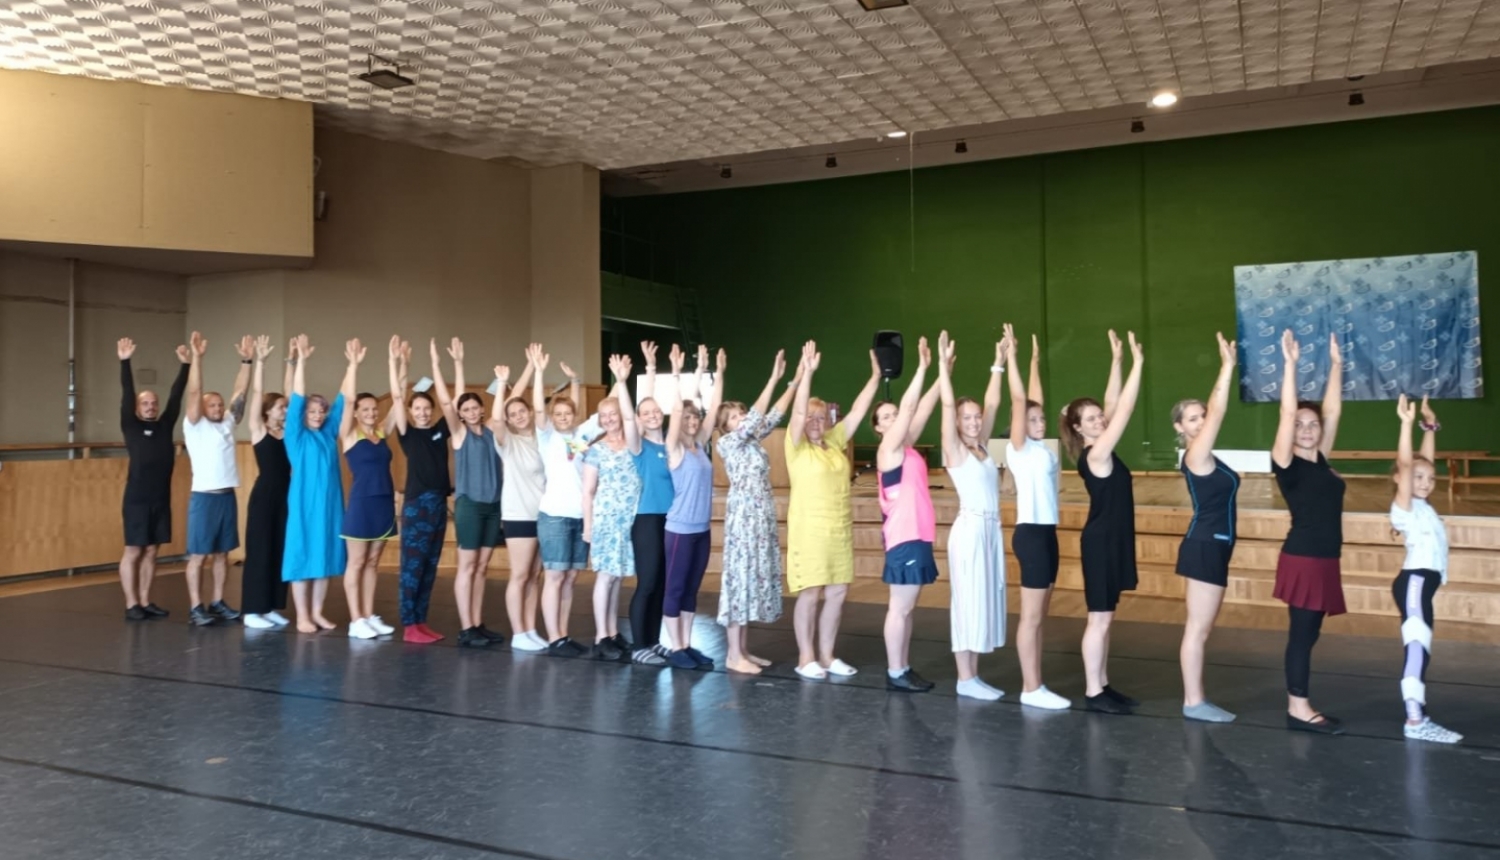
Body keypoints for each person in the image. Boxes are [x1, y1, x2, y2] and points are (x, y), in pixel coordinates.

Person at [1059, 329, 1144, 714]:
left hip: (1112, 539)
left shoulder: (1100, 447)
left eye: (1099, 416)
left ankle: (1103, 684)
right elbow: (1122, 410)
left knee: (1106, 619)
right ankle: (1094, 692)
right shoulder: (1095, 454)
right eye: (1091, 418)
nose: (1100, 419)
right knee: (1099, 620)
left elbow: (1112, 405)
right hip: (1101, 542)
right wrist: (1138, 364)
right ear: (1079, 428)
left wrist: (1117, 361)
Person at [785, 341, 881, 680]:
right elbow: (798, 413)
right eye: (811, 417)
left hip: (839, 530)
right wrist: (807, 373)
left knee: (838, 592)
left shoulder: (834, 441)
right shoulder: (796, 446)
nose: (815, 421)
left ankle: (827, 656)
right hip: (809, 531)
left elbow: (857, 411)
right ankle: (805, 657)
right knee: (811, 593)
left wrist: (875, 377)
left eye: (821, 417)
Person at [1270, 330, 1347, 734]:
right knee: (1301, 635)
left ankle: (1298, 702)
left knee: (1310, 633)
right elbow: (1287, 414)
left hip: (1324, 558)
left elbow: (1331, 410)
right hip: (1304, 558)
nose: (1306, 428)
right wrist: (1291, 366)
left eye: (1312, 424)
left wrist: (1336, 365)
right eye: (1300, 424)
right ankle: (1298, 708)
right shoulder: (1287, 463)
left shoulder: (1320, 458)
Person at [716, 348, 801, 674]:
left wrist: (794, 382)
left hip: (760, 516)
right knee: (739, 581)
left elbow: (774, 415)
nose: (742, 418)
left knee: (751, 579)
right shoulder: (728, 444)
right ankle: (732, 654)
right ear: (725, 426)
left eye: (741, 413)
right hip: (743, 519)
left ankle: (743, 650)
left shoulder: (751, 441)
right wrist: (773, 377)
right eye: (734, 416)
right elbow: (756, 417)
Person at [936, 331, 1009, 701]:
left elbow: (993, 403)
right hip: (970, 531)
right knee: (967, 602)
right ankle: (964, 679)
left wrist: (999, 362)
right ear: (956, 421)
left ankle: (973, 676)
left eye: (977, 416)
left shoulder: (981, 445)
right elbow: (947, 406)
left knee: (983, 601)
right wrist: (943, 369)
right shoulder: (955, 450)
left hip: (990, 529)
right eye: (967, 417)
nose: (975, 421)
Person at [1173, 333, 1240, 722]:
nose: (1202, 421)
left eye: (1202, 415)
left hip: (1214, 545)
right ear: (1181, 427)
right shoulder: (1195, 455)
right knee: (1197, 629)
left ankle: (1196, 699)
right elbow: (1219, 412)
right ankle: (1194, 702)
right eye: (1193, 418)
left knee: (1201, 629)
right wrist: (1227, 367)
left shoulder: (1208, 456)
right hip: (1204, 545)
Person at [1002, 328, 1070, 710]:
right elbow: (1020, 402)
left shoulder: (1041, 448)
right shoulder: (1020, 449)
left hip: (1048, 534)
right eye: (1033, 420)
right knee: (1030, 618)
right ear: (1020, 425)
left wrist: (1033, 361)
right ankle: (1030, 688)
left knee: (1041, 616)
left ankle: (1037, 683)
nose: (1041, 422)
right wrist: (1011, 357)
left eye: (1042, 418)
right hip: (1030, 535)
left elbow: (1032, 399)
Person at [1390, 394, 1462, 744]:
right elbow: (1409, 466)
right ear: (1401, 479)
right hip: (1415, 582)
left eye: (1430, 479)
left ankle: (1417, 712)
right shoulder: (1404, 507)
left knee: (1422, 650)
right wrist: (1406, 425)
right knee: (1417, 646)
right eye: (1418, 478)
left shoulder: (1422, 503)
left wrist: (1429, 425)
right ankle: (1415, 721)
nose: (1425, 482)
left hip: (1421, 585)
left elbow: (1422, 463)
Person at [873, 336, 943, 693]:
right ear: (878, 428)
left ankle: (902, 666)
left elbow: (923, 408)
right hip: (904, 537)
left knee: (908, 608)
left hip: (918, 535)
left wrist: (942, 371)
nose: (894, 418)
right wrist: (922, 367)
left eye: (894, 414)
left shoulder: (906, 447)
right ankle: (895, 671)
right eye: (886, 417)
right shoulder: (889, 449)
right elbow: (911, 404)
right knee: (899, 608)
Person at [431, 337, 506, 648]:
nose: (472, 411)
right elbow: (448, 401)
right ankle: (466, 628)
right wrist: (449, 365)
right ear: (460, 414)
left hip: (493, 506)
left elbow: (498, 410)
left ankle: (477, 623)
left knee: (482, 567)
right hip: (470, 506)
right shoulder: (460, 434)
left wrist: (501, 382)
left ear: (482, 409)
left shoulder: (492, 432)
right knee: (467, 566)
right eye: (466, 409)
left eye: (476, 407)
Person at [181, 330, 252, 627]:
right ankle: (196, 606)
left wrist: (246, 361)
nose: (219, 408)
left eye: (220, 405)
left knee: (223, 553)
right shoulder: (194, 425)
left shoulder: (227, 423)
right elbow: (195, 391)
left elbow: (240, 392)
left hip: (226, 497)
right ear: (202, 408)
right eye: (212, 405)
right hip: (204, 498)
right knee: (199, 556)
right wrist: (197, 358)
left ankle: (218, 601)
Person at [661, 346, 726, 670]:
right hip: (679, 530)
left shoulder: (700, 445)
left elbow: (713, 408)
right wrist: (677, 374)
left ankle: (686, 644)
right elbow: (676, 410)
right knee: (675, 588)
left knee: (691, 589)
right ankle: (675, 647)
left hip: (701, 529)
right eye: (686, 417)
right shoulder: (673, 448)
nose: (691, 420)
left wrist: (718, 373)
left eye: (694, 416)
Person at [117, 336, 189, 621]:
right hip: (136, 501)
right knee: (134, 551)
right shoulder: (130, 425)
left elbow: (176, 397)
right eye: (145, 403)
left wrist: (185, 365)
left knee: (151, 552)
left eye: (153, 403)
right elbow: (127, 392)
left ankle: (146, 600)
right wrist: (125, 362)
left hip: (160, 499)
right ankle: (131, 603)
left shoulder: (165, 426)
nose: (150, 406)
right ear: (137, 407)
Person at [282, 334, 347, 634]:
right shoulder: (295, 435)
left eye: (321, 411)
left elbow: (344, 401)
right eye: (312, 411)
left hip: (329, 506)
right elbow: (296, 397)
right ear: (303, 415)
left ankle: (318, 612)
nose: (318, 415)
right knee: (301, 557)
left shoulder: (328, 433)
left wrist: (352, 366)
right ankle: (303, 616)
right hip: (304, 506)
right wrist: (302, 362)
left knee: (325, 557)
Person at [531, 343, 592, 656]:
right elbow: (539, 410)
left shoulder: (580, 437)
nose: (563, 417)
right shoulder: (547, 436)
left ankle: (564, 634)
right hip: (554, 516)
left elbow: (574, 406)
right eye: (558, 414)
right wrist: (539, 372)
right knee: (554, 576)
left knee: (570, 578)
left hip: (579, 516)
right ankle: (554, 638)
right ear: (552, 417)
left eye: (568, 413)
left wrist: (576, 382)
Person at [338, 337, 400, 640]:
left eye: (374, 409)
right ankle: (355, 620)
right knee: (357, 561)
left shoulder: (382, 431)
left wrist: (395, 363)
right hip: (362, 504)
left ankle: (368, 614)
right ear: (356, 412)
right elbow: (348, 400)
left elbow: (399, 400)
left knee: (374, 562)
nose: (372, 413)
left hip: (384, 502)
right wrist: (353, 365)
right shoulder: (349, 434)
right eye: (365, 409)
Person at [582, 354, 642, 661]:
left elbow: (634, 418)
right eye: (603, 415)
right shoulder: (596, 450)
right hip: (606, 520)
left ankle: (613, 631)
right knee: (605, 577)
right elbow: (588, 490)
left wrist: (621, 381)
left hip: (627, 521)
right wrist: (588, 527)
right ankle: (600, 636)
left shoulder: (632, 444)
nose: (608, 419)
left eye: (612, 414)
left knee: (618, 577)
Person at [394, 339, 451, 644]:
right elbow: (396, 395)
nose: (423, 413)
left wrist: (437, 365)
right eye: (417, 408)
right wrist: (399, 364)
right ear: (410, 411)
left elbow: (450, 404)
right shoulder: (407, 433)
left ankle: (421, 620)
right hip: (417, 505)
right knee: (413, 566)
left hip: (439, 503)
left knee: (430, 566)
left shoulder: (440, 430)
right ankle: (409, 624)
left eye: (427, 408)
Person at [493, 352, 547, 651]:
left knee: (535, 576)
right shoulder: (507, 442)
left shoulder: (543, 438)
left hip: (543, 515)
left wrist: (536, 369)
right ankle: (518, 633)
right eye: (512, 414)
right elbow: (496, 419)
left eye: (521, 411)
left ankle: (530, 629)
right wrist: (502, 384)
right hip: (519, 516)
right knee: (520, 575)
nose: (518, 416)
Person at [241, 335, 294, 630]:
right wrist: (260, 362)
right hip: (264, 495)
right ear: (267, 410)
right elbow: (257, 392)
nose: (284, 410)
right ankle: (252, 610)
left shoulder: (287, 433)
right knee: (260, 549)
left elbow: (293, 396)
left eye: (285, 407)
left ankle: (271, 605)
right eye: (279, 407)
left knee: (279, 548)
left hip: (285, 494)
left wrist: (292, 362)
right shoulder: (259, 430)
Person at [626, 341, 674, 666]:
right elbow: (632, 414)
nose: (653, 415)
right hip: (647, 519)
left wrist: (655, 369)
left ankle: (654, 641)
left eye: (656, 411)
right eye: (646, 413)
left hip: (671, 519)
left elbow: (654, 403)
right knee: (647, 582)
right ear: (639, 419)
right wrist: (647, 370)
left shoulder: (671, 444)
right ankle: (639, 646)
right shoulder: (639, 445)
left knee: (662, 584)